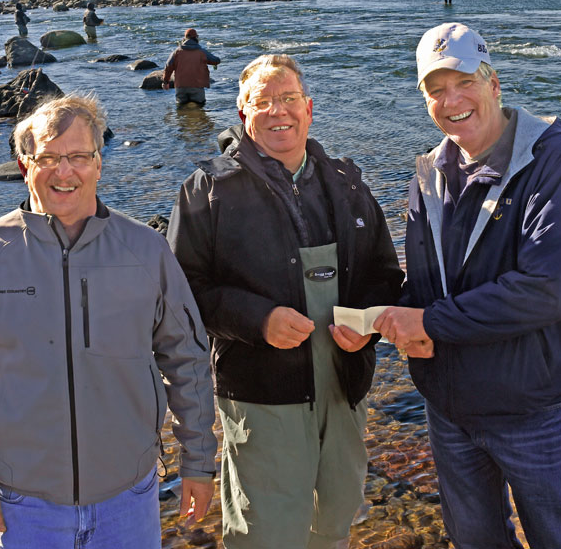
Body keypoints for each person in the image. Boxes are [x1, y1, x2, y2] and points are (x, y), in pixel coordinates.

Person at [0, 93, 217, 549]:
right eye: (48, 158)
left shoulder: (144, 251)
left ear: (99, 164)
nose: (65, 172)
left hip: (130, 497)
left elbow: (189, 360)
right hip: (24, 504)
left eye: (79, 156)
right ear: (24, 166)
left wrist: (200, 463)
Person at [374, 22, 561, 549]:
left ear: (494, 83)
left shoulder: (555, 164)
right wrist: (379, 320)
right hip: (450, 408)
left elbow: (548, 289)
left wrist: (429, 323)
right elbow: (427, 287)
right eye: (435, 90)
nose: (451, 100)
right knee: (474, 540)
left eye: (463, 83)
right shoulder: (429, 173)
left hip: (531, 408)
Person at [168, 54, 403, 548]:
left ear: (309, 108)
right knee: (266, 533)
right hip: (261, 396)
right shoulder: (207, 190)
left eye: (289, 99)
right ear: (242, 114)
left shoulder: (348, 184)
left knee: (335, 519)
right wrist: (259, 320)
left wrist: (370, 324)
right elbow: (183, 292)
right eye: (264, 101)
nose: (279, 112)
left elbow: (385, 274)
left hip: (345, 387)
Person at [162, 28, 220, 107]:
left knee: (181, 109)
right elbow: (216, 60)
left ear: (184, 38)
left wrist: (166, 82)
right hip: (197, 87)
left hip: (180, 87)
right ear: (196, 38)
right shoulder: (201, 51)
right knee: (200, 108)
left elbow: (168, 67)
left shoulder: (176, 52)